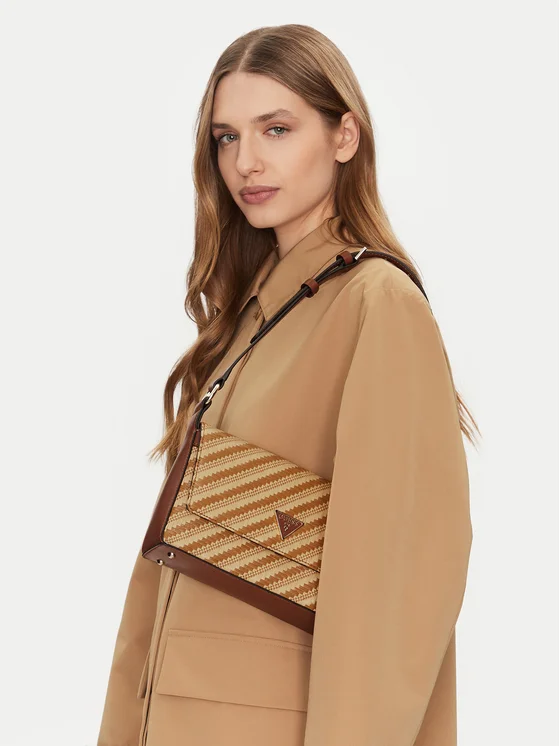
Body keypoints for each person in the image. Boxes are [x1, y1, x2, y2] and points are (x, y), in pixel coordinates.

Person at [96, 23, 478, 746]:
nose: (246, 161)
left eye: (276, 129)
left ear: (344, 136)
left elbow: (394, 588)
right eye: (226, 137)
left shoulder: (376, 305)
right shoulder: (254, 316)